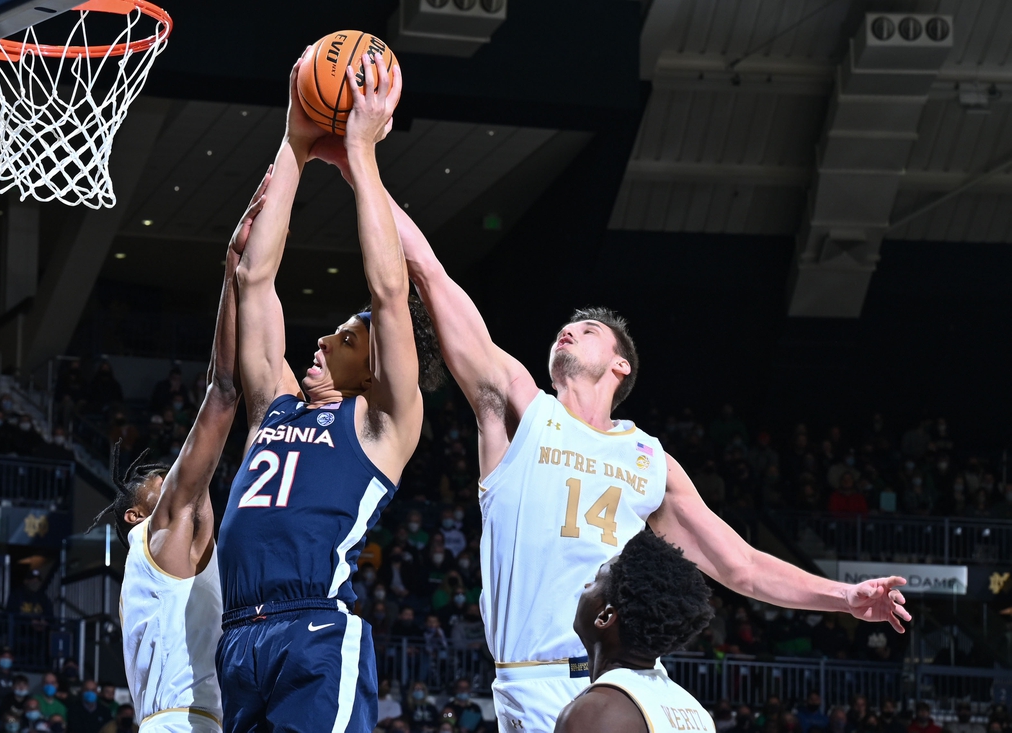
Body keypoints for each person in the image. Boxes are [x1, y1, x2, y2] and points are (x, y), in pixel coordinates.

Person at [373, 167, 912, 729]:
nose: (569, 330)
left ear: (620, 364)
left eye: (587, 330)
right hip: (530, 675)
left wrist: (844, 597)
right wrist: (362, 165)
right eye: (566, 326)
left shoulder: (651, 460)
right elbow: (431, 276)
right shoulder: (523, 409)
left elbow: (742, 567)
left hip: (620, 681)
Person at [215, 50, 441, 733]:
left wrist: (362, 152)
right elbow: (254, 278)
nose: (322, 340)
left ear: (374, 366)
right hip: (238, 635)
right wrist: (293, 138)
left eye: (345, 337)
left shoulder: (382, 426)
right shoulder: (274, 405)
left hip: (313, 629)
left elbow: (390, 290)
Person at [86, 160, 263, 733]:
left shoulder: (200, 554)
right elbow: (223, 392)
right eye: (161, 488)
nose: (180, 482)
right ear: (140, 516)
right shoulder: (159, 537)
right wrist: (234, 273)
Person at [553, 531, 715, 733]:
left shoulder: (595, 711)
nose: (586, 586)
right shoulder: (696, 712)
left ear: (604, 617)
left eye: (595, 581)